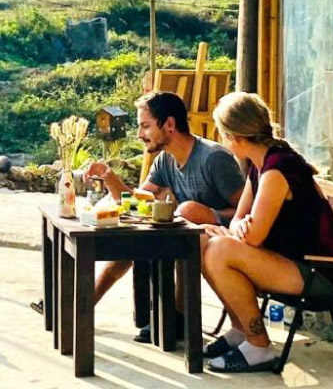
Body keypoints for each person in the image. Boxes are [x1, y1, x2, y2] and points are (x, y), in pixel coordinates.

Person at [200, 92, 333, 373]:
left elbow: (252, 236)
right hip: (292, 266)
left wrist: (243, 228)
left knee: (219, 249)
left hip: (321, 274)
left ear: (234, 137)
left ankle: (258, 347)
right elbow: (239, 224)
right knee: (204, 240)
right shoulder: (260, 167)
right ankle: (241, 329)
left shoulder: (278, 169)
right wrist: (240, 225)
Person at [85, 90, 245, 342]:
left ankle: (178, 317)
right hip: (189, 237)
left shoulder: (214, 159)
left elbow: (248, 210)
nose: (139, 135)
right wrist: (110, 179)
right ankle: (82, 307)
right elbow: (138, 204)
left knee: (186, 217)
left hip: (225, 241)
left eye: (145, 126)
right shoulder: (164, 162)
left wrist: (207, 214)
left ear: (169, 124)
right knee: (132, 241)